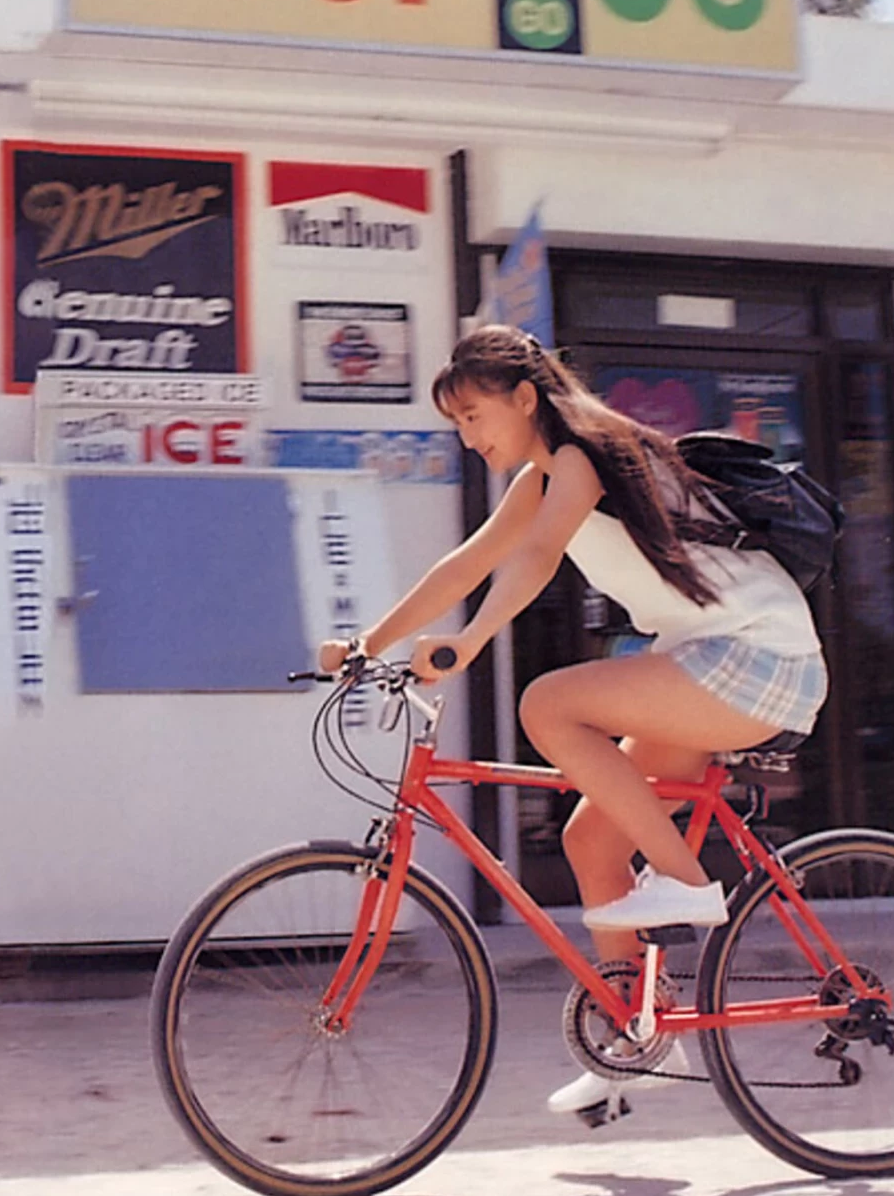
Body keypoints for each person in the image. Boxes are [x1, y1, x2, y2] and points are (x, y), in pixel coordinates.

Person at [316, 325, 827, 1123]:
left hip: (758, 656)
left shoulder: (588, 455)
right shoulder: (543, 476)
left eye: (476, 415)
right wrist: (364, 645)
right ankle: (640, 1043)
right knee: (591, 839)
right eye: (458, 424)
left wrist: (468, 642)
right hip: (706, 657)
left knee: (548, 703)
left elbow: (540, 556)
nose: (470, 436)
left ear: (525, 399)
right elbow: (465, 565)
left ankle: (690, 885)